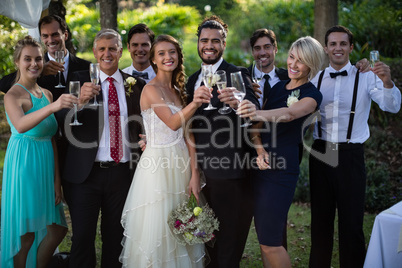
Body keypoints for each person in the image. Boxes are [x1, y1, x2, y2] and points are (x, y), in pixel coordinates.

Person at [308, 25, 401, 268]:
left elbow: (392, 106)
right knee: (320, 224)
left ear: (350, 47)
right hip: (320, 153)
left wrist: (388, 81)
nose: (338, 48)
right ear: (326, 47)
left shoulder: (368, 75)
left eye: (343, 43)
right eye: (333, 44)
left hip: (350, 155)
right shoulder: (315, 78)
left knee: (351, 226)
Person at [120, 34, 211, 267]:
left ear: (179, 56)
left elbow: (188, 134)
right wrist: (196, 102)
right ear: (153, 60)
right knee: (159, 230)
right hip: (158, 168)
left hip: (181, 165)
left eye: (172, 52)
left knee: (183, 225)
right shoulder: (150, 89)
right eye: (161, 53)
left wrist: (194, 172)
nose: (167, 57)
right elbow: (172, 123)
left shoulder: (177, 90)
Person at [237, 36, 326, 268]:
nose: (293, 65)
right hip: (261, 167)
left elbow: (289, 114)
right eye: (292, 57)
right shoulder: (277, 88)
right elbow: (256, 130)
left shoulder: (312, 95)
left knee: (271, 242)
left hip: (281, 172)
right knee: (265, 240)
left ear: (312, 65)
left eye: (301, 61)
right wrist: (258, 149)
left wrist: (254, 112)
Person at [61, 29, 146, 267]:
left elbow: (147, 122)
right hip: (85, 174)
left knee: (116, 239)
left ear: (121, 51)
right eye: (102, 49)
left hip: (122, 173)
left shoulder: (136, 85)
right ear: (95, 53)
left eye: (112, 48)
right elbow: (59, 118)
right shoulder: (77, 79)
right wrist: (78, 102)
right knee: (82, 239)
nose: (107, 53)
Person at [186, 15, 259, 267]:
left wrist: (238, 103)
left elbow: (255, 111)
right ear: (198, 43)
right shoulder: (191, 80)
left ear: (223, 44)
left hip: (233, 173)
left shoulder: (238, 74)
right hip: (200, 174)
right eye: (204, 40)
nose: (209, 45)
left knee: (230, 242)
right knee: (207, 241)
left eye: (215, 41)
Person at [1, 36, 77, 267]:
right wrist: (54, 107)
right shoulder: (13, 95)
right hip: (24, 167)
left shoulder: (46, 93)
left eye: (38, 58)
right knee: (26, 234)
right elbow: (22, 124)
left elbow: (51, 138)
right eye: (27, 59)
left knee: (57, 229)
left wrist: (56, 181)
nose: (34, 63)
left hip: (45, 165)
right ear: (17, 62)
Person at [0, 15, 91, 100]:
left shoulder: (86, 67)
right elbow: (3, 86)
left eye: (55, 34)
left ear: (65, 35)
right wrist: (40, 71)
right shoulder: (37, 66)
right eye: (45, 36)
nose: (50, 40)